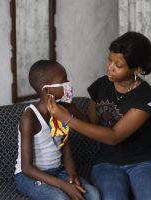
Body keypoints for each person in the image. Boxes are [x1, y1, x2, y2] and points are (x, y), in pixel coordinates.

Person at [47, 31, 151, 200]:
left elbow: (115, 136)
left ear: (137, 69)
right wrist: (68, 105)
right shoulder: (101, 85)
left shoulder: (146, 96)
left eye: (118, 65)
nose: (110, 67)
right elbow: (90, 122)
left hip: (143, 161)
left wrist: (67, 119)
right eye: (110, 59)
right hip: (107, 162)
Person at [14, 60, 100, 200]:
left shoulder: (63, 111)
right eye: (63, 80)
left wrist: (72, 176)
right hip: (29, 176)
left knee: (93, 195)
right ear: (48, 90)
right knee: (60, 198)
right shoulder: (30, 118)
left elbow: (68, 155)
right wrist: (64, 185)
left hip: (59, 171)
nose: (68, 83)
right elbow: (27, 168)